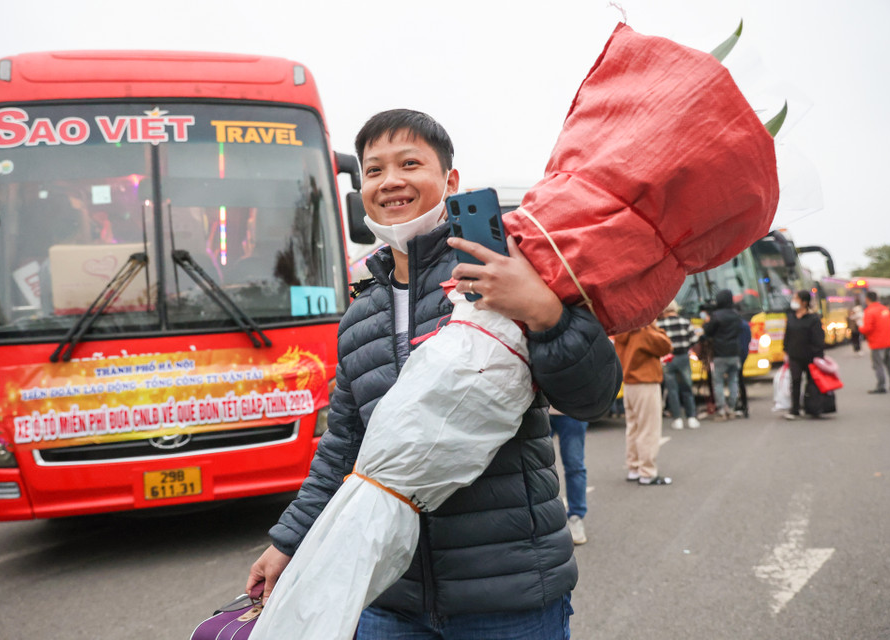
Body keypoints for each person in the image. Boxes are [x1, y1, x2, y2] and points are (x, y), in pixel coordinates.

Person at [245, 109, 621, 639]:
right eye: (374, 170)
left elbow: (592, 397)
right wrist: (287, 542)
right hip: (387, 596)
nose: (390, 181)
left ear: (450, 180)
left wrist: (545, 311)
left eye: (409, 163)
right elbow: (343, 449)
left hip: (508, 593)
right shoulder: (360, 316)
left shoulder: (501, 274)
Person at [614, 322, 673, 485]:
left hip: (629, 383)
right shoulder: (644, 329)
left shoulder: (622, 329)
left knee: (633, 428)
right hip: (645, 381)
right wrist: (653, 325)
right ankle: (647, 472)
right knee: (648, 428)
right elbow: (665, 345)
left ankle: (634, 468)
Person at [656, 300, 701, 429]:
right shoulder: (685, 322)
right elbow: (694, 341)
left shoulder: (659, 324)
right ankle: (691, 417)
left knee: (672, 390)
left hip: (667, 359)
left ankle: (677, 419)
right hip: (683, 358)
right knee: (687, 388)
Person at [782, 289, 826, 419]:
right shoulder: (791, 317)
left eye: (796, 298)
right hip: (794, 355)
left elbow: (818, 339)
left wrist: (818, 355)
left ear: (804, 302)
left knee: (812, 382)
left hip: (811, 356)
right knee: (795, 381)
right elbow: (787, 335)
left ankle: (812, 407)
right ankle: (794, 409)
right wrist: (785, 350)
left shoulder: (813, 319)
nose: (793, 301)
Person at [549, 408, 588, 544]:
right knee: (535, 467)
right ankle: (538, 520)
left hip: (573, 409)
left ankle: (576, 517)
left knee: (574, 466)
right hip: (538, 408)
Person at [702, 289, 742, 421]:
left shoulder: (716, 315)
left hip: (719, 353)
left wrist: (706, 322)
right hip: (734, 352)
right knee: (733, 381)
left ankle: (721, 410)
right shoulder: (736, 314)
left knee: (718, 382)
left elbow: (708, 331)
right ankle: (731, 408)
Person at [857, 291, 890, 393]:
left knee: (878, 365)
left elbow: (867, 328)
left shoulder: (869, 311)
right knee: (889, 363)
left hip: (877, 342)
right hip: (888, 341)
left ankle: (881, 386)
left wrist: (860, 327)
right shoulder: (885, 309)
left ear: (867, 299)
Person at [736, 314, 752, 418]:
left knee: (735, 380)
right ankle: (744, 405)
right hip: (743, 355)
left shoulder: (734, 325)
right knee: (740, 380)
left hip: (735, 355)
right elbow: (749, 339)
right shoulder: (745, 324)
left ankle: (737, 405)